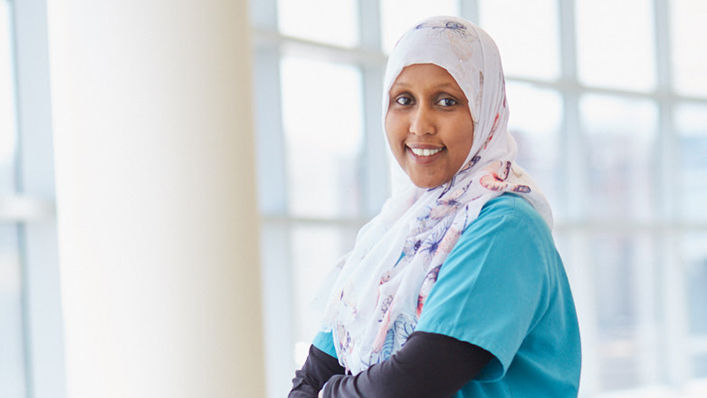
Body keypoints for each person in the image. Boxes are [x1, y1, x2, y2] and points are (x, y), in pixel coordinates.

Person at [289, 16, 581, 398]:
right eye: (404, 101)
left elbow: (413, 383)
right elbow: (310, 376)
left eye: (446, 102)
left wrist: (329, 394)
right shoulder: (391, 236)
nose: (420, 124)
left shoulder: (505, 225)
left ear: (485, 110)